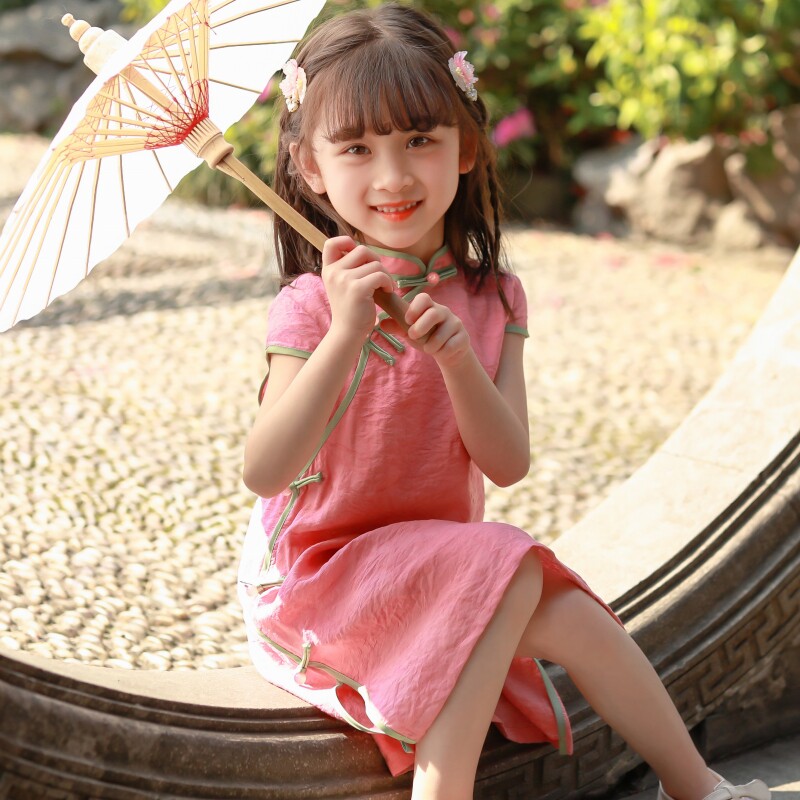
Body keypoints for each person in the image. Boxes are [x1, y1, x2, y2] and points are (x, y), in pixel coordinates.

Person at [237, 5, 772, 799]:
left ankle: (698, 789)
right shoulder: (313, 306)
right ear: (309, 167)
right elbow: (264, 471)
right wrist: (346, 335)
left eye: (420, 140)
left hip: (446, 566)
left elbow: (507, 463)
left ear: (466, 146)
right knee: (511, 563)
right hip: (327, 578)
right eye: (357, 149)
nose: (393, 176)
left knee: (571, 612)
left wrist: (458, 360)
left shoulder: (493, 298)